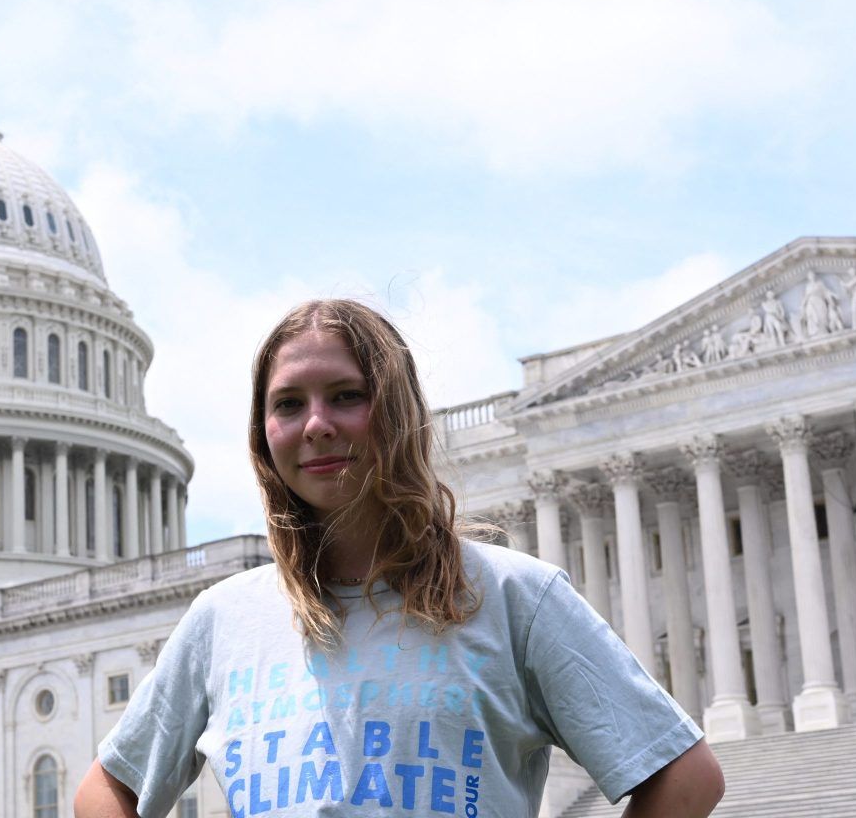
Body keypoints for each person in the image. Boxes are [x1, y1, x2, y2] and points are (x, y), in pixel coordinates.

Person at [75, 299, 724, 818]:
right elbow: (106, 790)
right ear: (262, 431)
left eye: (347, 395)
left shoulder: (515, 596)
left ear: (397, 410)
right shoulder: (224, 619)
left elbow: (686, 778)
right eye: (289, 403)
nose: (317, 424)